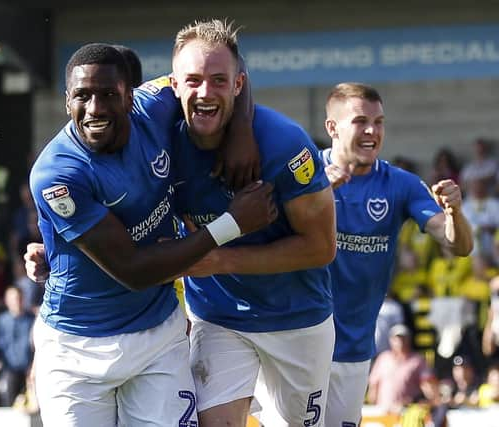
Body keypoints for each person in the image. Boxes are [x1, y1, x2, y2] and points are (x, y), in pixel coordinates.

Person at [28, 42, 274, 426]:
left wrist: (241, 128)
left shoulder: (157, 101)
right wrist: (232, 223)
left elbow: (230, 67)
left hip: (158, 336)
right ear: (66, 101)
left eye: (108, 95)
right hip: (77, 351)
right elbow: (134, 271)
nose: (94, 109)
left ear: (131, 96)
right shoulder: (57, 174)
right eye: (82, 96)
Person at [169, 20, 335, 427]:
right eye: (192, 81)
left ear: (239, 85)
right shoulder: (155, 130)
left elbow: (321, 247)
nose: (204, 92)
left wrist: (221, 260)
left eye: (218, 81)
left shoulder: (285, 143)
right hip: (218, 316)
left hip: (298, 318)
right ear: (173, 85)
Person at [317, 82, 473, 426]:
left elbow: (458, 245)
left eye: (379, 121)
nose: (372, 130)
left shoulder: (400, 184)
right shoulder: (305, 174)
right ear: (332, 127)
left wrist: (454, 214)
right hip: (294, 339)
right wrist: (314, 195)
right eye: (360, 121)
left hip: (352, 352)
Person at [0, 286, 34, 406]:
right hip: (9, 369)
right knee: (8, 402)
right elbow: (0, 345)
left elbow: (35, 345)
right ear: (6, 301)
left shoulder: (31, 319)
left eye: (18, 298)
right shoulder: (2, 320)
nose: (16, 301)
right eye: (12, 298)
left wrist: (32, 366)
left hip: (29, 369)